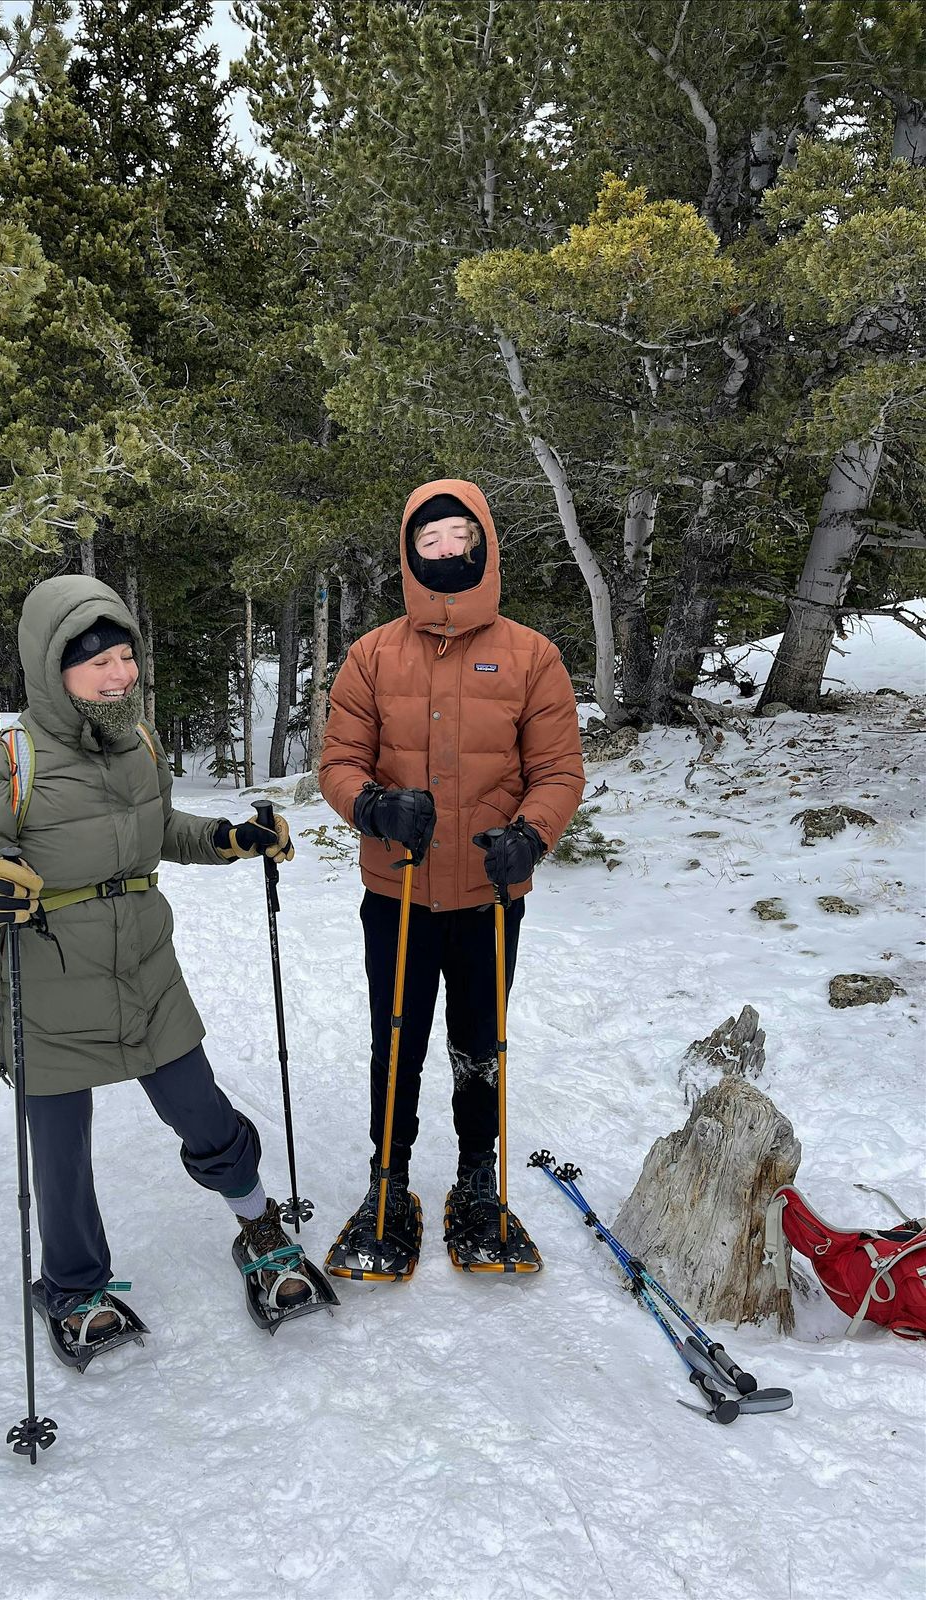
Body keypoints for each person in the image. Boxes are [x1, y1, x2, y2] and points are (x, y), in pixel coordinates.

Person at [0, 574, 335, 1361]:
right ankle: (76, 1286)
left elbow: (157, 829)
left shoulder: (139, 742)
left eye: (124, 657)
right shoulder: (0, 762)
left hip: (145, 972)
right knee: (61, 1153)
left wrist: (228, 839)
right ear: (52, 670)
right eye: (95, 663)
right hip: (46, 988)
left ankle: (259, 1227)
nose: (117, 675)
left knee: (203, 1114)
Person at [319, 481, 585, 1278]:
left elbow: (559, 770)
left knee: (480, 1043)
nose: (444, 551)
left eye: (458, 536)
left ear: (483, 545)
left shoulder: (533, 654)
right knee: (395, 1041)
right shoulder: (372, 655)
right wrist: (371, 806)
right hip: (396, 893)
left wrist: (532, 838)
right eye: (428, 540)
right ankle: (388, 1181)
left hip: (490, 897)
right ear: (409, 551)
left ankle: (477, 1177)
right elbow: (338, 762)